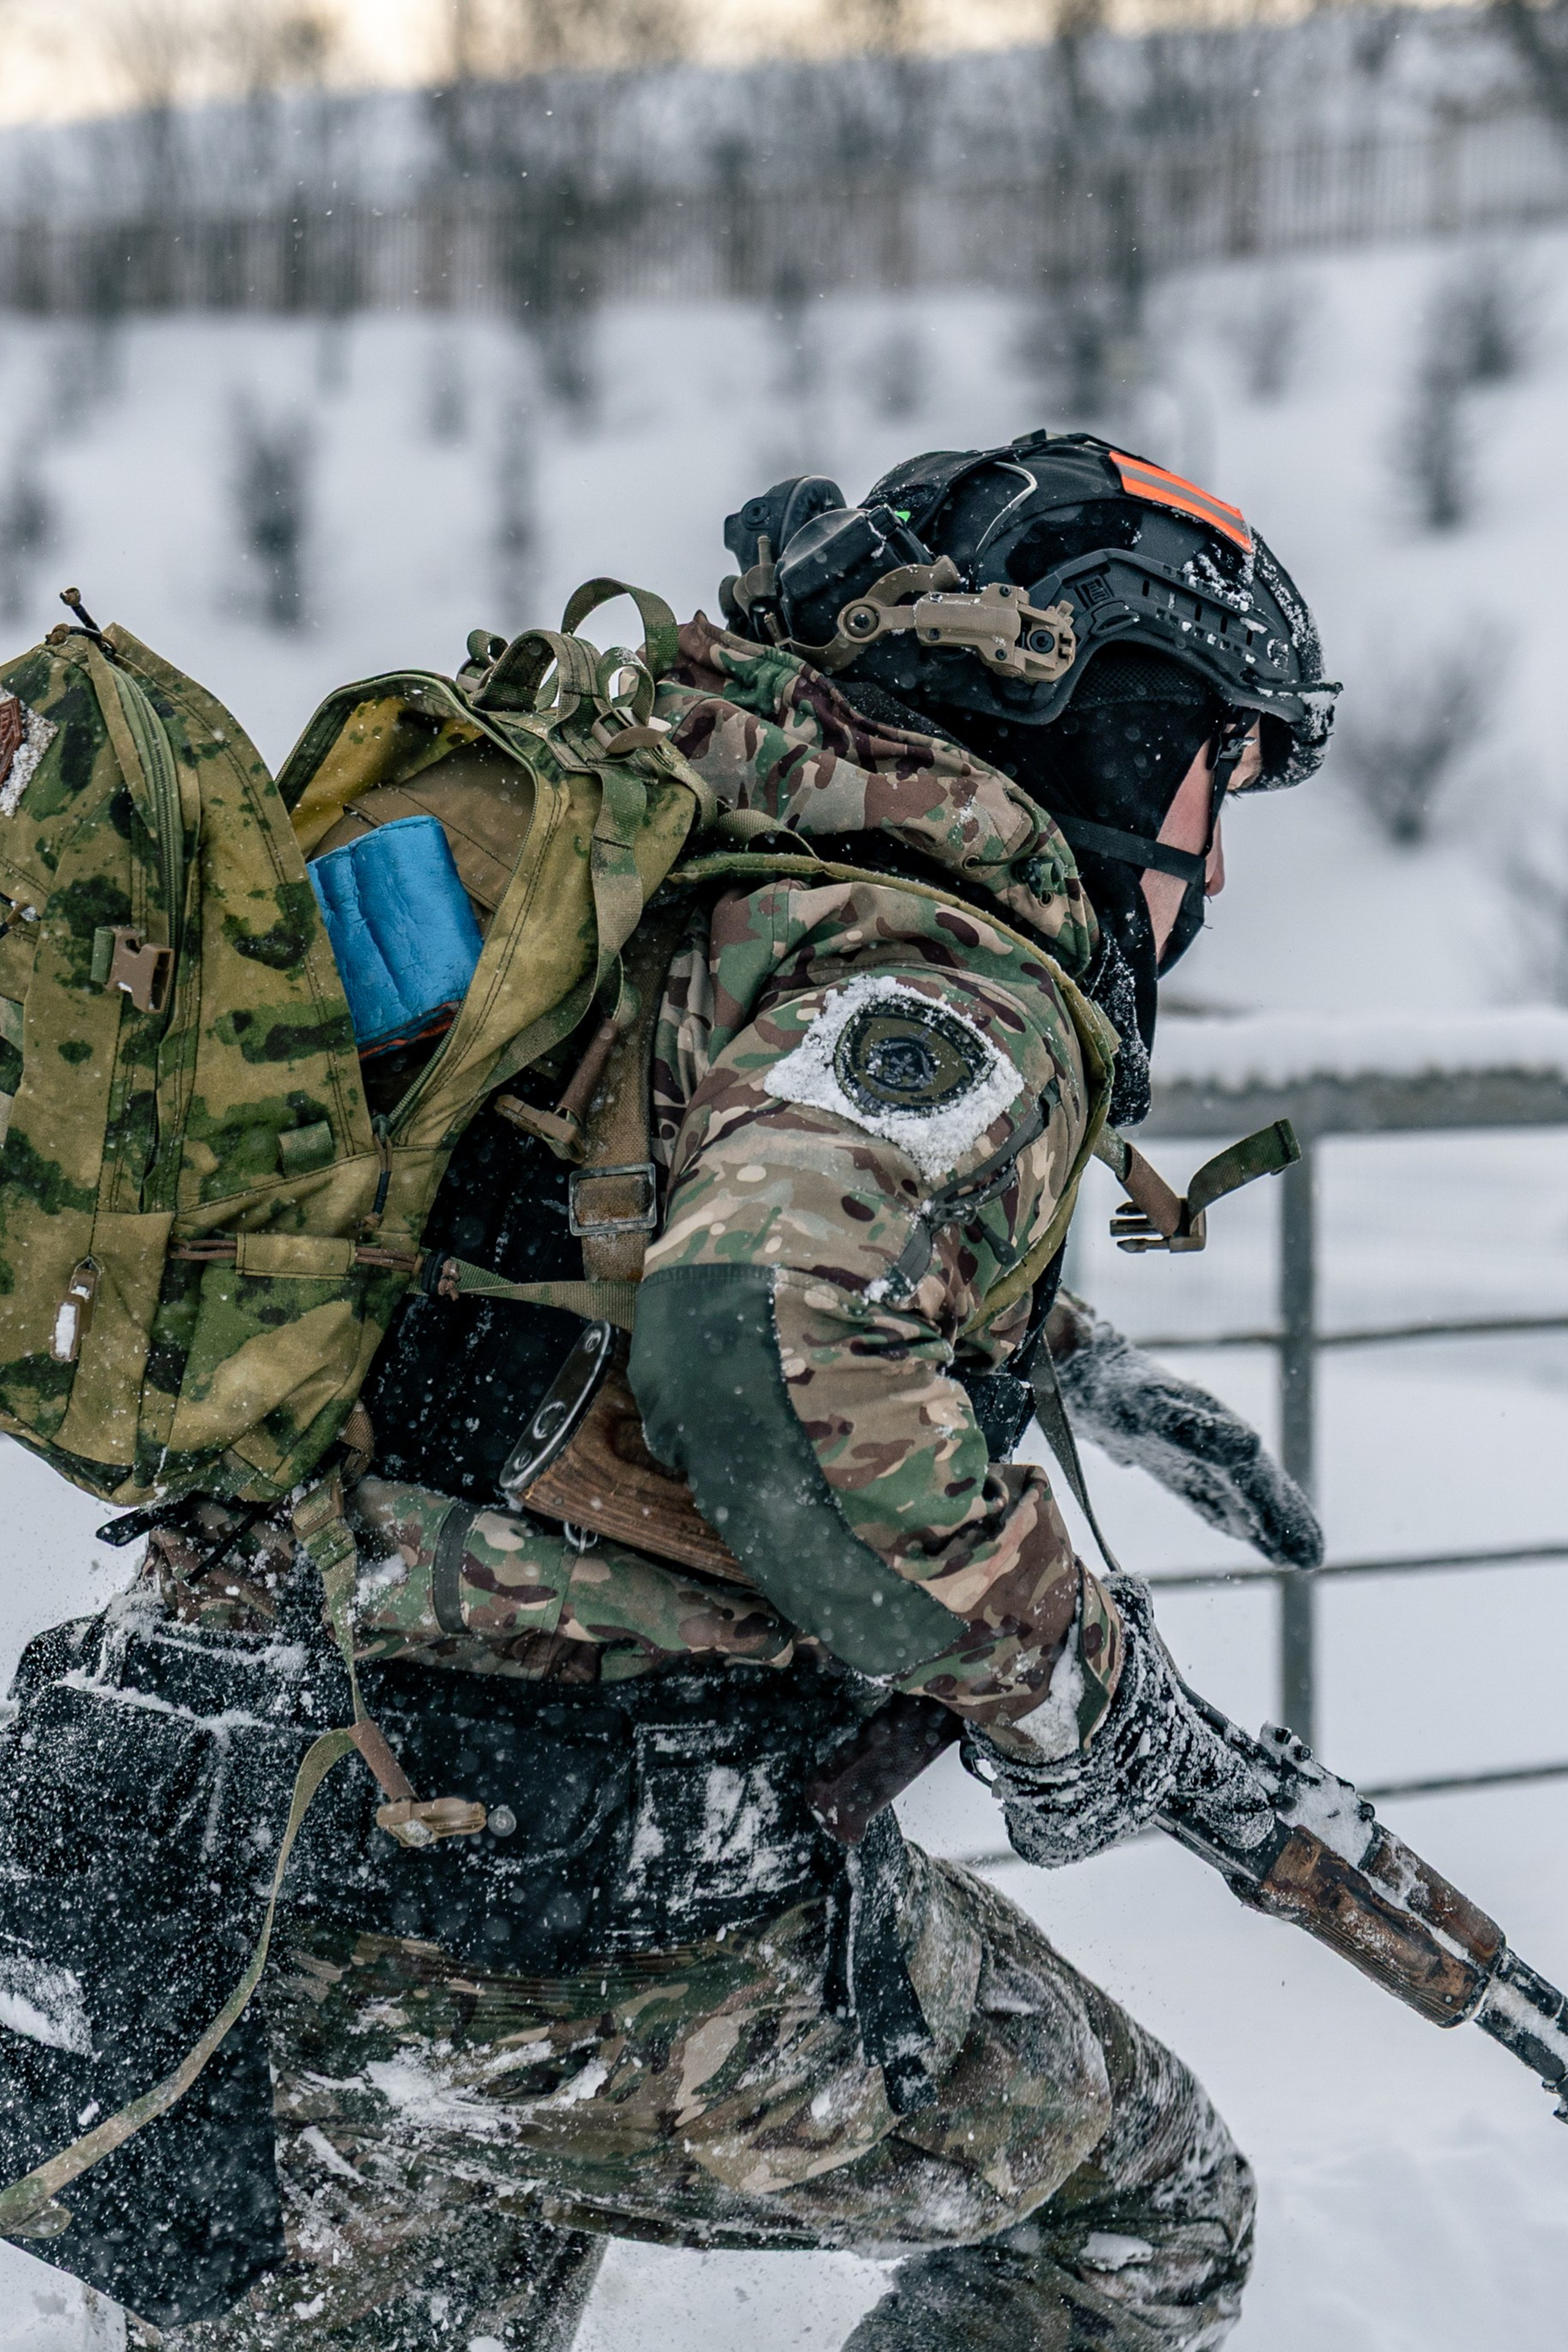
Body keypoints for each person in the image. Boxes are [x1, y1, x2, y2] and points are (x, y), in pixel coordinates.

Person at [21, 432, 1336, 2351]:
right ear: (1111, 725)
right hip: (572, 1919)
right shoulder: (947, 977)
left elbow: (560, 1255)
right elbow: (755, 1336)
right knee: (1143, 2217)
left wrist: (1053, 1355)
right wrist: (1078, 1693)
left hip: (211, 1822)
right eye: (1220, 772)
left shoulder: (658, 866)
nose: (1211, 861)